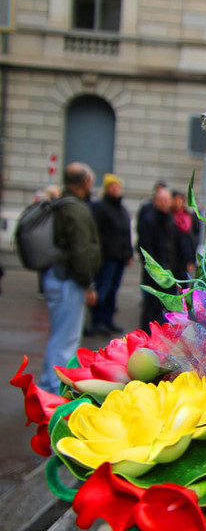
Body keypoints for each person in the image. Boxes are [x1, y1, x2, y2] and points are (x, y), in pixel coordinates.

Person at [39, 163, 102, 393]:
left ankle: (50, 385)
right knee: (65, 340)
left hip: (58, 277)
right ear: (85, 182)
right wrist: (88, 284)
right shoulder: (75, 208)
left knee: (60, 337)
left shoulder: (62, 204)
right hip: (69, 281)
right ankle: (53, 389)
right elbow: (80, 251)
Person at [87, 173, 133, 335]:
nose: (115, 189)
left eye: (117, 186)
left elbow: (126, 233)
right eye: (112, 186)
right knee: (102, 289)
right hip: (106, 257)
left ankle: (108, 319)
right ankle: (97, 321)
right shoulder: (99, 207)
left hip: (119, 256)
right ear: (106, 189)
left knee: (113, 290)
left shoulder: (121, 208)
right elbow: (95, 232)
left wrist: (129, 253)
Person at [137, 185, 177, 328]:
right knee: (151, 306)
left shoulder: (171, 220)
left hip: (168, 271)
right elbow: (144, 247)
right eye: (161, 200)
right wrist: (155, 269)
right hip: (154, 272)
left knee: (164, 307)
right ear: (155, 201)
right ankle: (146, 333)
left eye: (167, 200)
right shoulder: (149, 220)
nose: (164, 203)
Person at [172, 190, 201, 280]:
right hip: (171, 257)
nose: (178, 202)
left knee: (183, 281)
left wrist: (191, 259)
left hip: (184, 257)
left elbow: (192, 238)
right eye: (176, 200)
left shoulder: (188, 216)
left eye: (180, 200)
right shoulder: (169, 217)